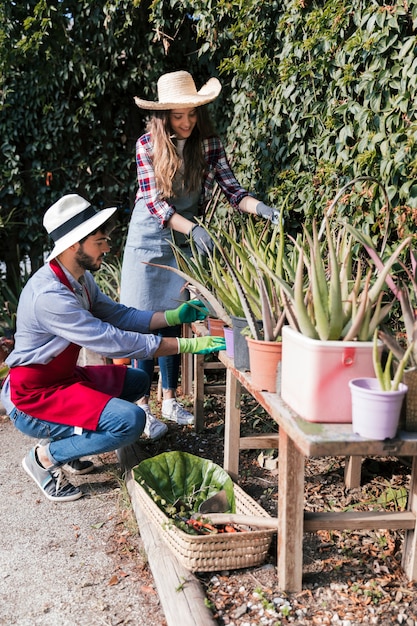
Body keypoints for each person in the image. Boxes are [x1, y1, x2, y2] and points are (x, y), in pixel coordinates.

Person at [0, 194, 225, 503]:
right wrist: (184, 344)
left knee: (137, 382)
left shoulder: (78, 279)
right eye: (99, 241)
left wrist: (172, 316)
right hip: (34, 396)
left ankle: (73, 443)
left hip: (62, 380)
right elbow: (111, 339)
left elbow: (119, 315)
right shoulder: (50, 296)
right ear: (72, 245)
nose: (107, 247)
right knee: (130, 421)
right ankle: (46, 458)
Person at [120, 70, 280, 430]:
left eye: (192, 113)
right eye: (179, 115)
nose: (187, 121)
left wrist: (264, 210)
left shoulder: (208, 144)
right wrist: (195, 229)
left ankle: (171, 399)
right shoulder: (147, 145)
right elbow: (155, 206)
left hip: (186, 239)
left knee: (175, 320)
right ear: (164, 117)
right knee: (145, 324)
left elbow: (234, 193)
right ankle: (143, 408)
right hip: (149, 238)